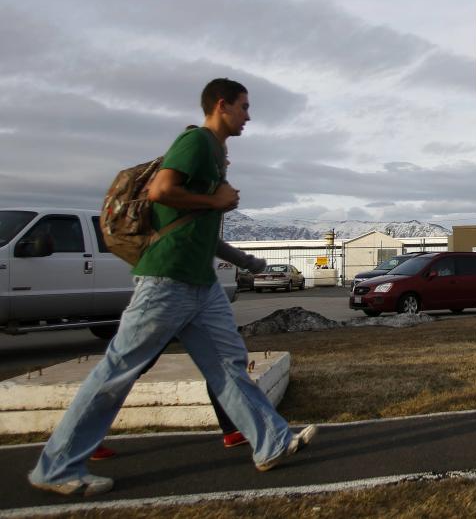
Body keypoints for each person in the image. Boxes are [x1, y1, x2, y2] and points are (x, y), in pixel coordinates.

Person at [29, 78, 316, 497]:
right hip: (166, 281)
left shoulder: (216, 154)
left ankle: (269, 442)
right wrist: (216, 201)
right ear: (222, 106)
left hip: (200, 285)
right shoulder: (197, 142)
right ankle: (55, 467)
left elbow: (199, 230)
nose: (249, 116)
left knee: (228, 366)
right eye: (244, 106)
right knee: (117, 372)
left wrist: (247, 261)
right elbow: (161, 190)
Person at [91, 241, 267, 461]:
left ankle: (234, 430)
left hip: (193, 295)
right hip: (168, 294)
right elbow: (208, 238)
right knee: (128, 368)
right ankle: (83, 438)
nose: (234, 204)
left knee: (222, 361)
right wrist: (250, 262)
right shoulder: (188, 208)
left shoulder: (200, 211)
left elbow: (209, 239)